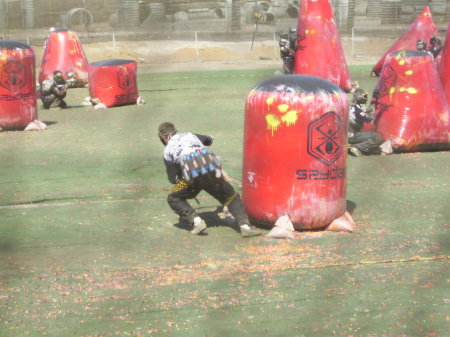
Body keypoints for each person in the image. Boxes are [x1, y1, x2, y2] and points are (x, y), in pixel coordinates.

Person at [158, 122, 262, 237]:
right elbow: (208, 140)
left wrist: (182, 178)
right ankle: (245, 226)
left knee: (173, 198)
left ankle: (196, 221)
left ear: (163, 137)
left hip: (191, 177)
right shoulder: (189, 135)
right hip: (211, 168)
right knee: (230, 197)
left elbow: (173, 179)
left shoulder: (167, 151)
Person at [348, 89, 383, 157]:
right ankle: (357, 147)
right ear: (359, 97)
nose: (366, 98)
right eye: (365, 96)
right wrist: (374, 111)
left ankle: (356, 145)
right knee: (377, 137)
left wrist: (368, 110)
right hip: (352, 136)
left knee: (377, 149)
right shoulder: (357, 110)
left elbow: (361, 112)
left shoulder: (351, 106)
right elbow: (369, 119)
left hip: (345, 135)